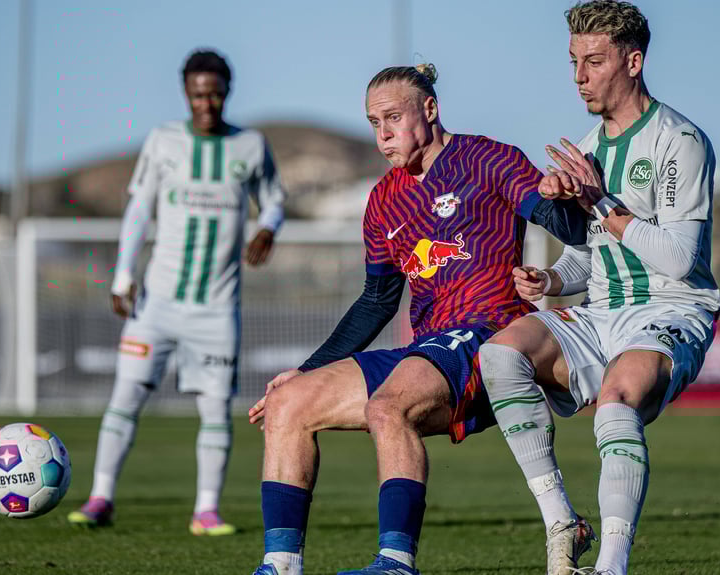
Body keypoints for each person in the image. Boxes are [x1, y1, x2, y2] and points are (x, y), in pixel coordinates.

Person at [247, 63, 590, 575]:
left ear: (429, 110)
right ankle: (280, 564)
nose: (383, 133)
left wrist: (569, 197)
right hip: (428, 347)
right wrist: (309, 368)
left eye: (392, 117)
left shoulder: (487, 158)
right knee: (287, 404)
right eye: (372, 122)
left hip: (489, 335)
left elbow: (566, 225)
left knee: (388, 407)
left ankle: (395, 562)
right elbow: (376, 301)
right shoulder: (384, 200)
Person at [477, 2, 720, 574]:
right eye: (573, 61)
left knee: (616, 400)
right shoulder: (588, 147)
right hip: (601, 309)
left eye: (593, 60)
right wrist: (553, 278)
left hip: (671, 308)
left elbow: (680, 259)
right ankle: (562, 520)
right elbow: (592, 256)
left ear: (632, 62)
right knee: (501, 354)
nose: (579, 76)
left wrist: (599, 202)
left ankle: (610, 567)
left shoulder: (679, 140)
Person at [66, 49, 285, 536]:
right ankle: (100, 498)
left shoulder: (250, 145)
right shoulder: (164, 141)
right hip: (157, 304)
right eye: (197, 94)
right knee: (125, 396)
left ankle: (206, 510)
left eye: (215, 93)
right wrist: (122, 275)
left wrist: (267, 227)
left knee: (214, 410)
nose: (206, 103)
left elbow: (274, 200)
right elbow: (139, 211)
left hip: (216, 309)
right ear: (185, 94)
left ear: (228, 91)